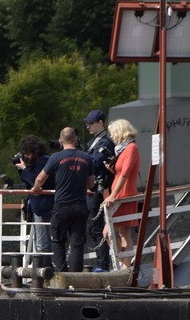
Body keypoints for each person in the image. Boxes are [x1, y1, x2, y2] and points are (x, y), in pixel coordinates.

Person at [30, 127, 94, 273]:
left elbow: (40, 178)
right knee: (77, 243)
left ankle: (62, 275)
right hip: (80, 205)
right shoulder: (86, 158)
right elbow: (91, 183)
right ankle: (75, 277)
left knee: (58, 241)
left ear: (60, 141)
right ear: (76, 139)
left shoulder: (55, 157)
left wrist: (36, 188)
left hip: (62, 206)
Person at [102, 119, 141, 269]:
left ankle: (125, 265)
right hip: (119, 193)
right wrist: (112, 170)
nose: (112, 137)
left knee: (123, 232)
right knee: (109, 232)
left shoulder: (131, 148)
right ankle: (123, 262)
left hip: (125, 194)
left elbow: (125, 174)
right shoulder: (123, 149)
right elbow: (121, 172)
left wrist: (112, 195)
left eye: (113, 133)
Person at [14, 135, 54, 268]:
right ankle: (44, 271)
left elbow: (34, 180)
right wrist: (23, 169)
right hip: (42, 205)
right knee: (41, 242)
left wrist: (24, 169)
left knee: (42, 243)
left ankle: (44, 273)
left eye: (27, 154)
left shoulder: (43, 162)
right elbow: (29, 181)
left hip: (43, 206)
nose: (27, 157)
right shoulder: (43, 161)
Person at [84, 109, 115, 271]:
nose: (88, 126)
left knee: (98, 228)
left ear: (101, 123)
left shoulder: (105, 142)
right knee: (93, 229)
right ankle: (101, 263)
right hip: (92, 190)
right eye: (87, 123)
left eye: (91, 123)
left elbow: (94, 163)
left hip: (99, 189)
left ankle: (103, 265)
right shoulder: (94, 142)